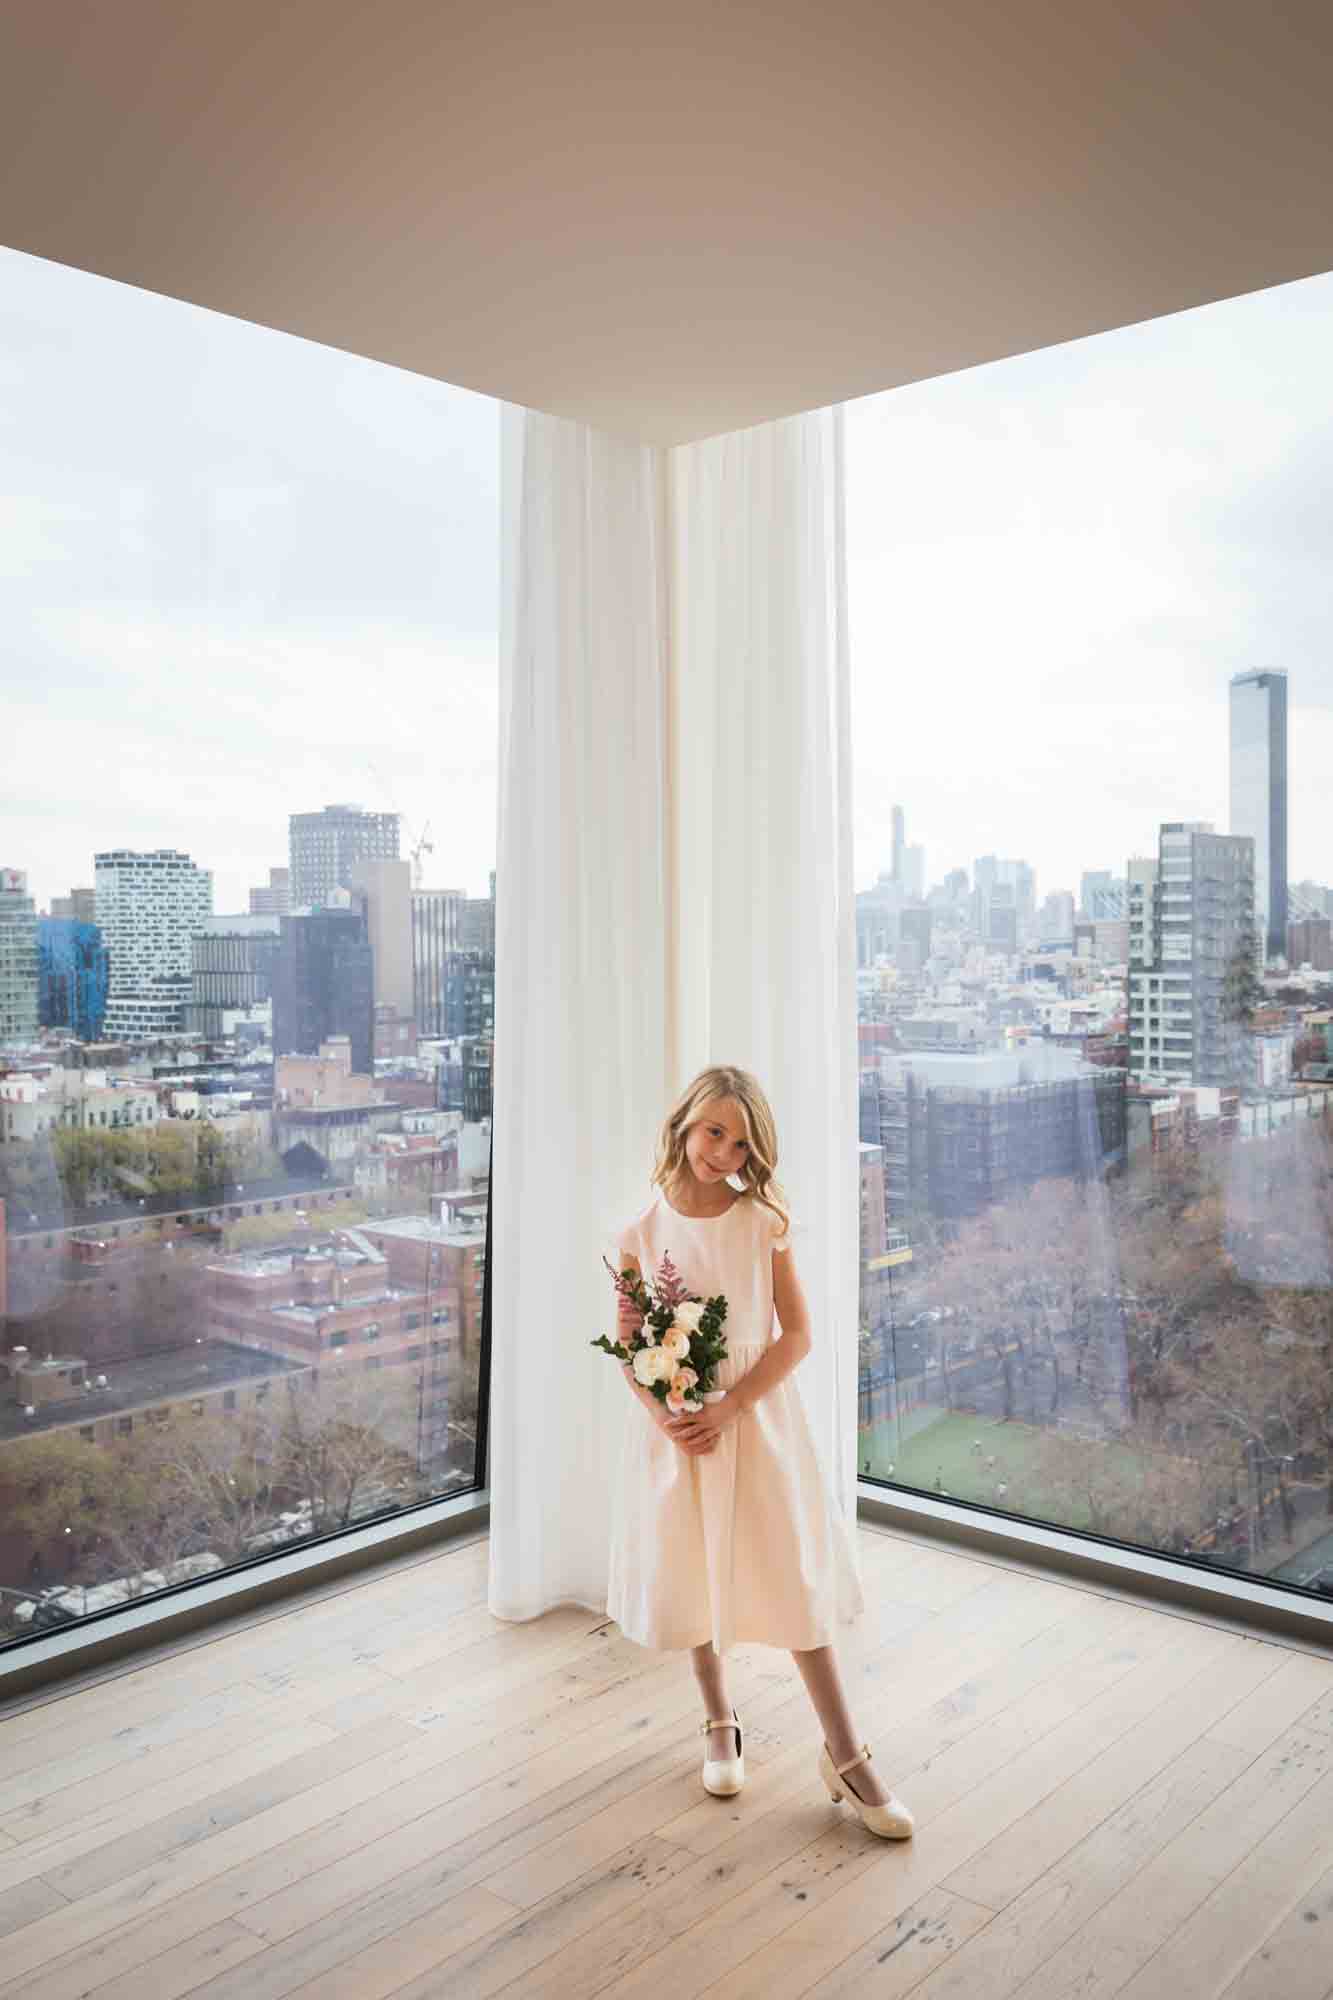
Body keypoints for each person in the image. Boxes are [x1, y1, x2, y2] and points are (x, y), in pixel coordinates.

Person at [607, 1063, 914, 1841]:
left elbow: (799, 1334)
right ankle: (718, 1718)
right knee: (695, 1568)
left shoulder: (759, 1224)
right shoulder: (639, 1233)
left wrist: (732, 1404)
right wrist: (665, 1413)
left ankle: (844, 1753)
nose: (724, 1152)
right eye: (714, 1131)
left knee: (792, 1578)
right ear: (683, 1123)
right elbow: (626, 1343)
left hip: (755, 1421)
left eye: (741, 1143)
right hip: (679, 1431)